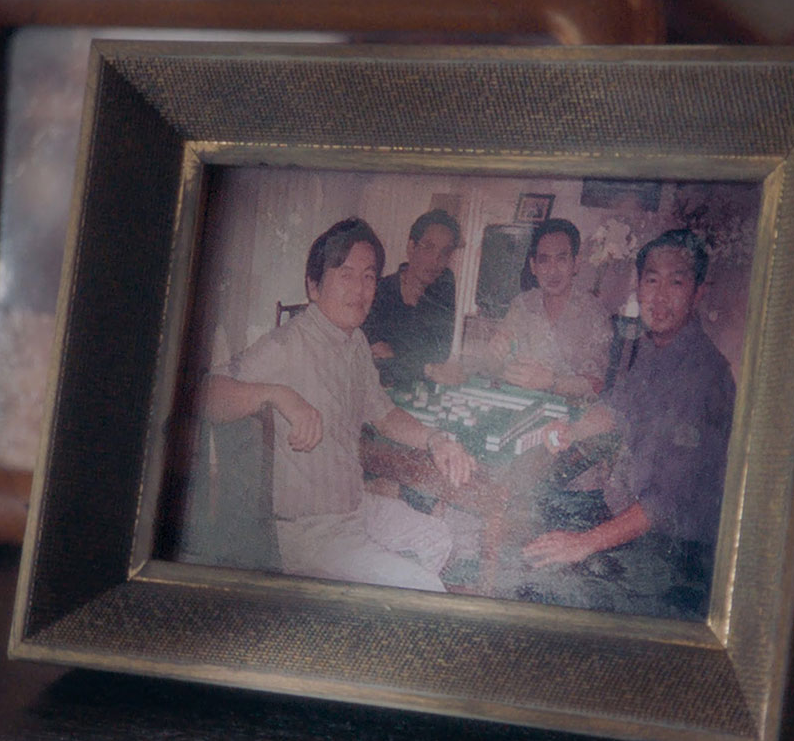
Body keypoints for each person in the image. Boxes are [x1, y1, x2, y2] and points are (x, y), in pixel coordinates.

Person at [201, 218, 475, 593]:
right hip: (309, 531)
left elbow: (384, 414)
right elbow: (207, 395)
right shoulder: (287, 344)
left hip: (354, 508)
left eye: (368, 276)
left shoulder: (355, 342)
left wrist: (436, 439)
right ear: (314, 286)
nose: (360, 289)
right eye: (345, 275)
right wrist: (278, 394)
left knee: (439, 537)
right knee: (425, 587)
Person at [511, 229, 736, 620]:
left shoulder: (704, 375)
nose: (660, 297)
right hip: (631, 523)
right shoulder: (654, 348)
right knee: (530, 542)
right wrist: (572, 430)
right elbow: (616, 407)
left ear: (698, 291)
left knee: (542, 586)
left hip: (674, 557)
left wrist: (583, 543)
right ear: (639, 286)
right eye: (652, 281)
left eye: (676, 283)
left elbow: (664, 503)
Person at [483, 218, 612, 399]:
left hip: (569, 411)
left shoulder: (594, 314)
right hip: (519, 402)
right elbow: (495, 365)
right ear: (533, 266)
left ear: (576, 263)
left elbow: (597, 384)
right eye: (544, 261)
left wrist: (553, 382)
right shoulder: (522, 305)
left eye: (561, 259)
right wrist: (494, 355)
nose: (552, 271)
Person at [361, 209, 461, 390]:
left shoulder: (443, 289)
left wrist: (396, 358)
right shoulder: (379, 292)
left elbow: (439, 355)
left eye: (445, 252)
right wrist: (423, 367)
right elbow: (379, 362)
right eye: (428, 247)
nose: (436, 260)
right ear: (411, 247)